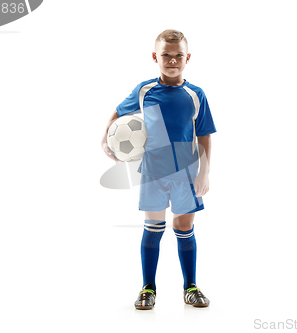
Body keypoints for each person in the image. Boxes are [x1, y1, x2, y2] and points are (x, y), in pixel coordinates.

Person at [101, 29, 216, 309]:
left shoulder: (195, 94)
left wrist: (204, 172)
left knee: (184, 226)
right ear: (156, 56)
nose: (172, 60)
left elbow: (204, 135)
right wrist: (106, 139)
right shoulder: (144, 90)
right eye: (166, 55)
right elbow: (118, 113)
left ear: (188, 58)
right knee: (153, 227)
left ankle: (191, 286)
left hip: (186, 172)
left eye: (178, 56)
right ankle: (148, 288)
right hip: (153, 171)